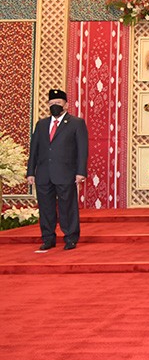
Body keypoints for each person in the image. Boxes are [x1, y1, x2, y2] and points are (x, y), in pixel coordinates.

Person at [26, 88, 88, 251]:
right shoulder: (41, 124)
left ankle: (70, 237)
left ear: (66, 105)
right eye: (51, 103)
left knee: (67, 207)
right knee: (46, 208)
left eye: (58, 103)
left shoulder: (76, 123)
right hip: (44, 173)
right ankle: (48, 238)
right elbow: (34, 149)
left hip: (66, 172)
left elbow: (82, 150)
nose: (55, 105)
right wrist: (31, 171)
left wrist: (81, 172)